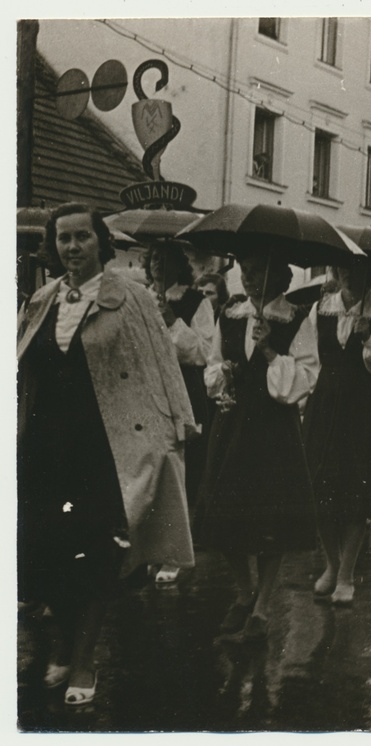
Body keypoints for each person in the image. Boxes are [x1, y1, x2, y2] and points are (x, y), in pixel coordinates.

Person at [17, 203, 196, 706]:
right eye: (63, 239)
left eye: (82, 238)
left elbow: (161, 366)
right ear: (53, 247)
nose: (72, 248)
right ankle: (60, 644)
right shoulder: (41, 298)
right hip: (45, 447)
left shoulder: (131, 298)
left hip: (103, 448)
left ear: (101, 243)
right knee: (44, 548)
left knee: (97, 551)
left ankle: (86, 658)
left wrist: (176, 427)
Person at [197, 249, 319, 641]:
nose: (250, 280)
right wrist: (224, 374)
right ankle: (244, 591)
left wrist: (269, 351)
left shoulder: (296, 319)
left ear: (281, 279)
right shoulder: (230, 315)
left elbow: (304, 379)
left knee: (270, 520)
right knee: (224, 513)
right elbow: (212, 363)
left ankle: (263, 607)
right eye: (245, 272)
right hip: (231, 425)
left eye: (258, 272)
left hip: (272, 430)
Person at [302, 260, 371, 606]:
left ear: (370, 275)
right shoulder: (320, 309)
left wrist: (368, 339)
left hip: (364, 410)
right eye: (343, 268)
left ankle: (346, 574)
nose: (348, 275)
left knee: (355, 493)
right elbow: (308, 357)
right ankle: (331, 565)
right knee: (321, 489)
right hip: (325, 406)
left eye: (358, 270)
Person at [144, 244, 217, 584]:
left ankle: (175, 551)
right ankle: (150, 548)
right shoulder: (142, 297)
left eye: (165, 258)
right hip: (148, 391)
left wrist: (172, 322)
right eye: (153, 258)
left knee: (183, 468)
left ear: (179, 263)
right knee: (151, 469)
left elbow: (203, 353)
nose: (158, 264)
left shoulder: (196, 302)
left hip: (185, 391)